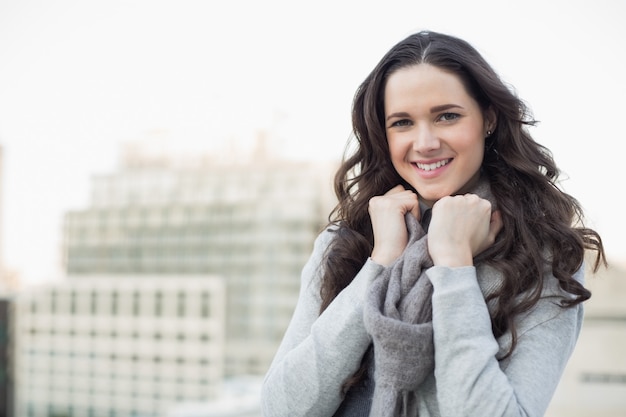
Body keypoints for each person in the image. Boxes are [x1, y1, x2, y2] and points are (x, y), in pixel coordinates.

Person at [261, 30, 605, 417]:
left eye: (447, 116)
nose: (424, 143)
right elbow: (283, 408)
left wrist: (455, 267)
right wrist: (380, 263)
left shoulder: (544, 257)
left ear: (488, 119)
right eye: (402, 123)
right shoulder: (346, 243)